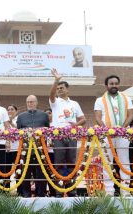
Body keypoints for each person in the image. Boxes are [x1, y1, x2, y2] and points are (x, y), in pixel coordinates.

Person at [94, 75, 133, 196]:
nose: (114, 85)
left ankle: (125, 190)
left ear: (119, 84)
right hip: (106, 135)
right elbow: (97, 117)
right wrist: (107, 130)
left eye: (116, 83)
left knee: (124, 161)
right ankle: (109, 191)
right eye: (111, 84)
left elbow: (130, 115)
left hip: (123, 134)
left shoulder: (126, 98)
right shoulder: (100, 100)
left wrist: (121, 129)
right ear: (107, 85)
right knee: (107, 162)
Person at [49, 68, 86, 197]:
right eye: (58, 88)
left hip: (71, 135)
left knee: (71, 162)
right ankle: (59, 191)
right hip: (58, 135)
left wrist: (75, 125)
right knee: (58, 163)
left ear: (67, 89)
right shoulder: (55, 102)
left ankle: (72, 190)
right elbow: (51, 95)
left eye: (61, 88)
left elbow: (83, 119)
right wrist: (56, 80)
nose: (59, 90)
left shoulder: (74, 103)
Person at [16, 95, 50, 197]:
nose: (30, 104)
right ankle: (26, 193)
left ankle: (41, 193)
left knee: (41, 171)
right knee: (25, 171)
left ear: (36, 103)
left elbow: (47, 130)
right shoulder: (21, 116)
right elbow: (18, 132)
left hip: (40, 148)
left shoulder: (44, 115)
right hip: (26, 149)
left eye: (32, 102)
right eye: (28, 102)